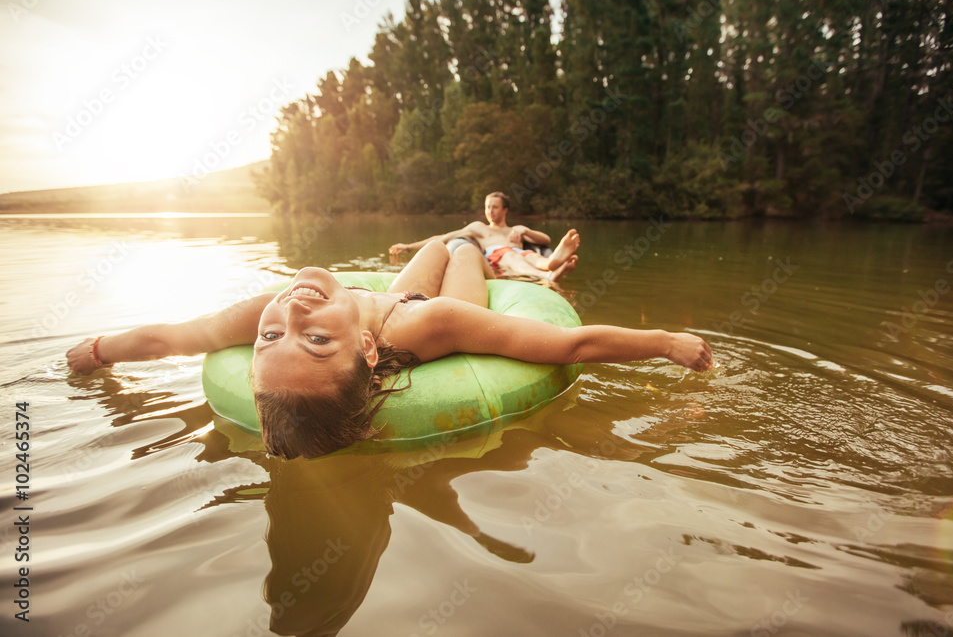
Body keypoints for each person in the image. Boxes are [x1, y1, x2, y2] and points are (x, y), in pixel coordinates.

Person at [67, 240, 714, 460]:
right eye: (313, 339)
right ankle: (472, 241)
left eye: (273, 337)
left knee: (427, 249)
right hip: (423, 311)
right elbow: (567, 343)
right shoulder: (433, 328)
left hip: (385, 298)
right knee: (458, 253)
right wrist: (665, 342)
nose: (288, 313)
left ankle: (443, 238)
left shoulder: (268, 311)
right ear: (367, 351)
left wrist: (99, 349)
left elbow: (165, 338)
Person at [389, 191, 581, 282]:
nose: (490, 211)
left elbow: (545, 240)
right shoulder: (479, 228)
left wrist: (525, 230)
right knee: (511, 255)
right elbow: (443, 237)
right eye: (487, 207)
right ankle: (547, 275)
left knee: (533, 256)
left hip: (519, 252)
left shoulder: (514, 230)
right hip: (499, 256)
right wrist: (407, 246)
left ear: (505, 210)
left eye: (495, 207)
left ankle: (551, 265)